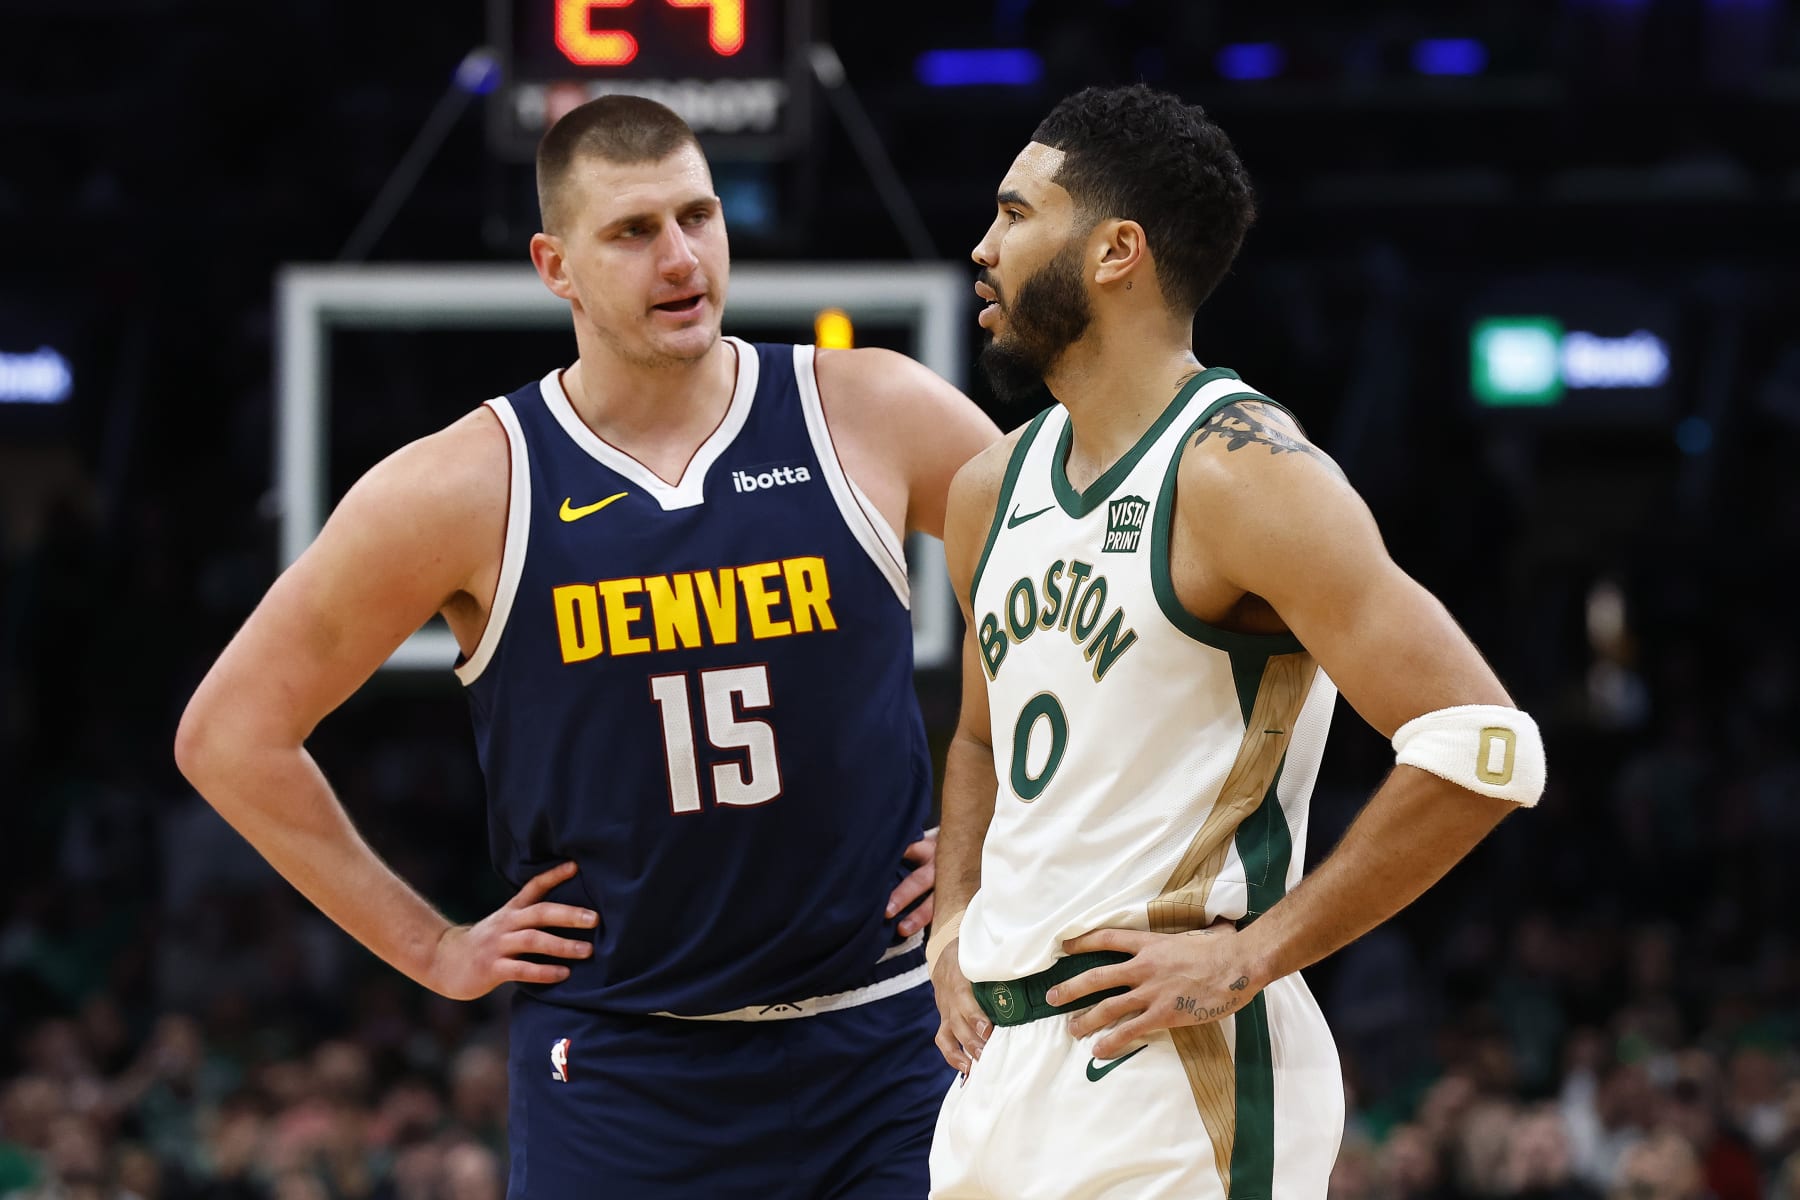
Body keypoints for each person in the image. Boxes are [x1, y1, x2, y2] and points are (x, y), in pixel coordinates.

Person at [176, 94, 1000, 1196]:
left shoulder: (868, 407)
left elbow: (1076, 596)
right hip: (625, 1071)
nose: (680, 257)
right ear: (554, 265)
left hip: (894, 1047)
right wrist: (431, 948)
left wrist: (997, 834)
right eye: (633, 231)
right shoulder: (465, 485)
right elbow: (230, 736)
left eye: (698, 216)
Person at [924, 83, 1546, 1199]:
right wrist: (957, 908)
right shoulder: (988, 486)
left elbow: (1487, 746)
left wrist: (1252, 953)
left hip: (1176, 1071)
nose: (983, 247)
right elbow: (978, 744)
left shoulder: (1242, 472)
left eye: (1016, 216)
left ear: (1116, 252)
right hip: (1001, 1075)